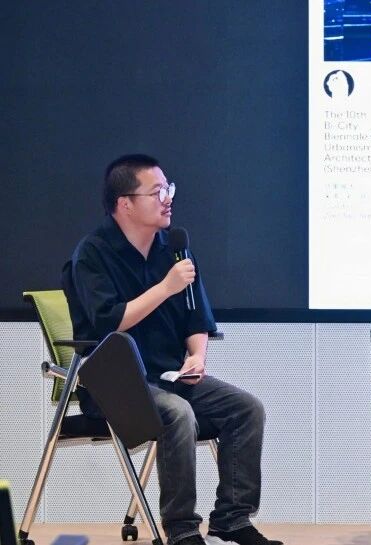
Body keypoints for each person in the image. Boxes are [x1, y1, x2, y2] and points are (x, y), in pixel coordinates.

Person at [64, 154, 280, 545]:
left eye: (169, 189)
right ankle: (181, 529)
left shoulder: (176, 250)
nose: (168, 199)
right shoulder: (93, 254)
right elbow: (109, 323)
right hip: (115, 386)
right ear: (126, 203)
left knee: (246, 409)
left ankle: (232, 519)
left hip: (170, 375)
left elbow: (197, 319)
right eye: (157, 191)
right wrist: (165, 287)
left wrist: (196, 357)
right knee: (178, 413)